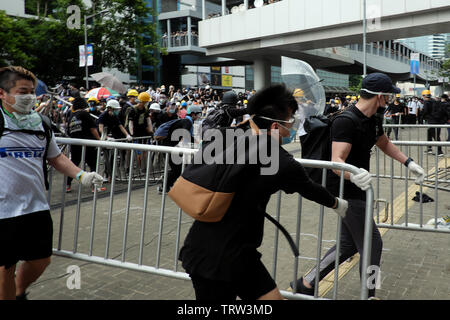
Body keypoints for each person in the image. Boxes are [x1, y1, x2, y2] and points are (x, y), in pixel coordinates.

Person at [179, 84, 348, 301]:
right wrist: (338, 204)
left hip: (202, 248)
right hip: (230, 256)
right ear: (276, 126)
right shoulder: (279, 160)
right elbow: (310, 188)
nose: (293, 129)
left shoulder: (227, 138)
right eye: (291, 123)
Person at [291, 73, 425, 299]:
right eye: (389, 95)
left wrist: (409, 162)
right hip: (345, 190)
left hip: (358, 188)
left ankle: (306, 283)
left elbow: (383, 142)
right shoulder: (346, 120)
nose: (391, 99)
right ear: (380, 96)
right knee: (373, 244)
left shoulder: (373, 118)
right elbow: (337, 161)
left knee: (347, 245)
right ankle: (369, 294)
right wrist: (354, 176)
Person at [0, 66, 103, 300]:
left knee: (42, 259)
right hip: (3, 211)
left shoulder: (41, 123)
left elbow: (56, 157)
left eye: (32, 92)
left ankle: (19, 292)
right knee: (5, 268)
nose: (30, 97)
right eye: (22, 91)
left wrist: (82, 176)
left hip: (36, 206)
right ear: (2, 93)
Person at [65, 97, 103, 192]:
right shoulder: (85, 114)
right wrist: (99, 140)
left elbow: (69, 132)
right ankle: (94, 187)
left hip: (75, 144)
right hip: (88, 143)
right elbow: (93, 129)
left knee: (73, 164)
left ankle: (67, 185)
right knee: (92, 164)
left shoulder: (71, 117)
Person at [98, 99, 133, 181]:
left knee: (112, 157)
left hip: (109, 138)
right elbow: (100, 129)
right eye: (116, 109)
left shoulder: (114, 116)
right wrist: (107, 137)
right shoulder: (103, 116)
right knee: (103, 159)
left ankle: (110, 175)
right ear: (110, 108)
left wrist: (127, 134)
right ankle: (104, 176)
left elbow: (120, 126)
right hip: (101, 138)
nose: (117, 111)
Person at [422, 90, 446, 155]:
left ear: (424, 96)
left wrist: (423, 117)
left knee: (436, 136)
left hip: (431, 121)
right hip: (438, 120)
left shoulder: (426, 102)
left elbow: (425, 111)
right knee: (430, 134)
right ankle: (429, 148)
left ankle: (440, 151)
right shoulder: (434, 101)